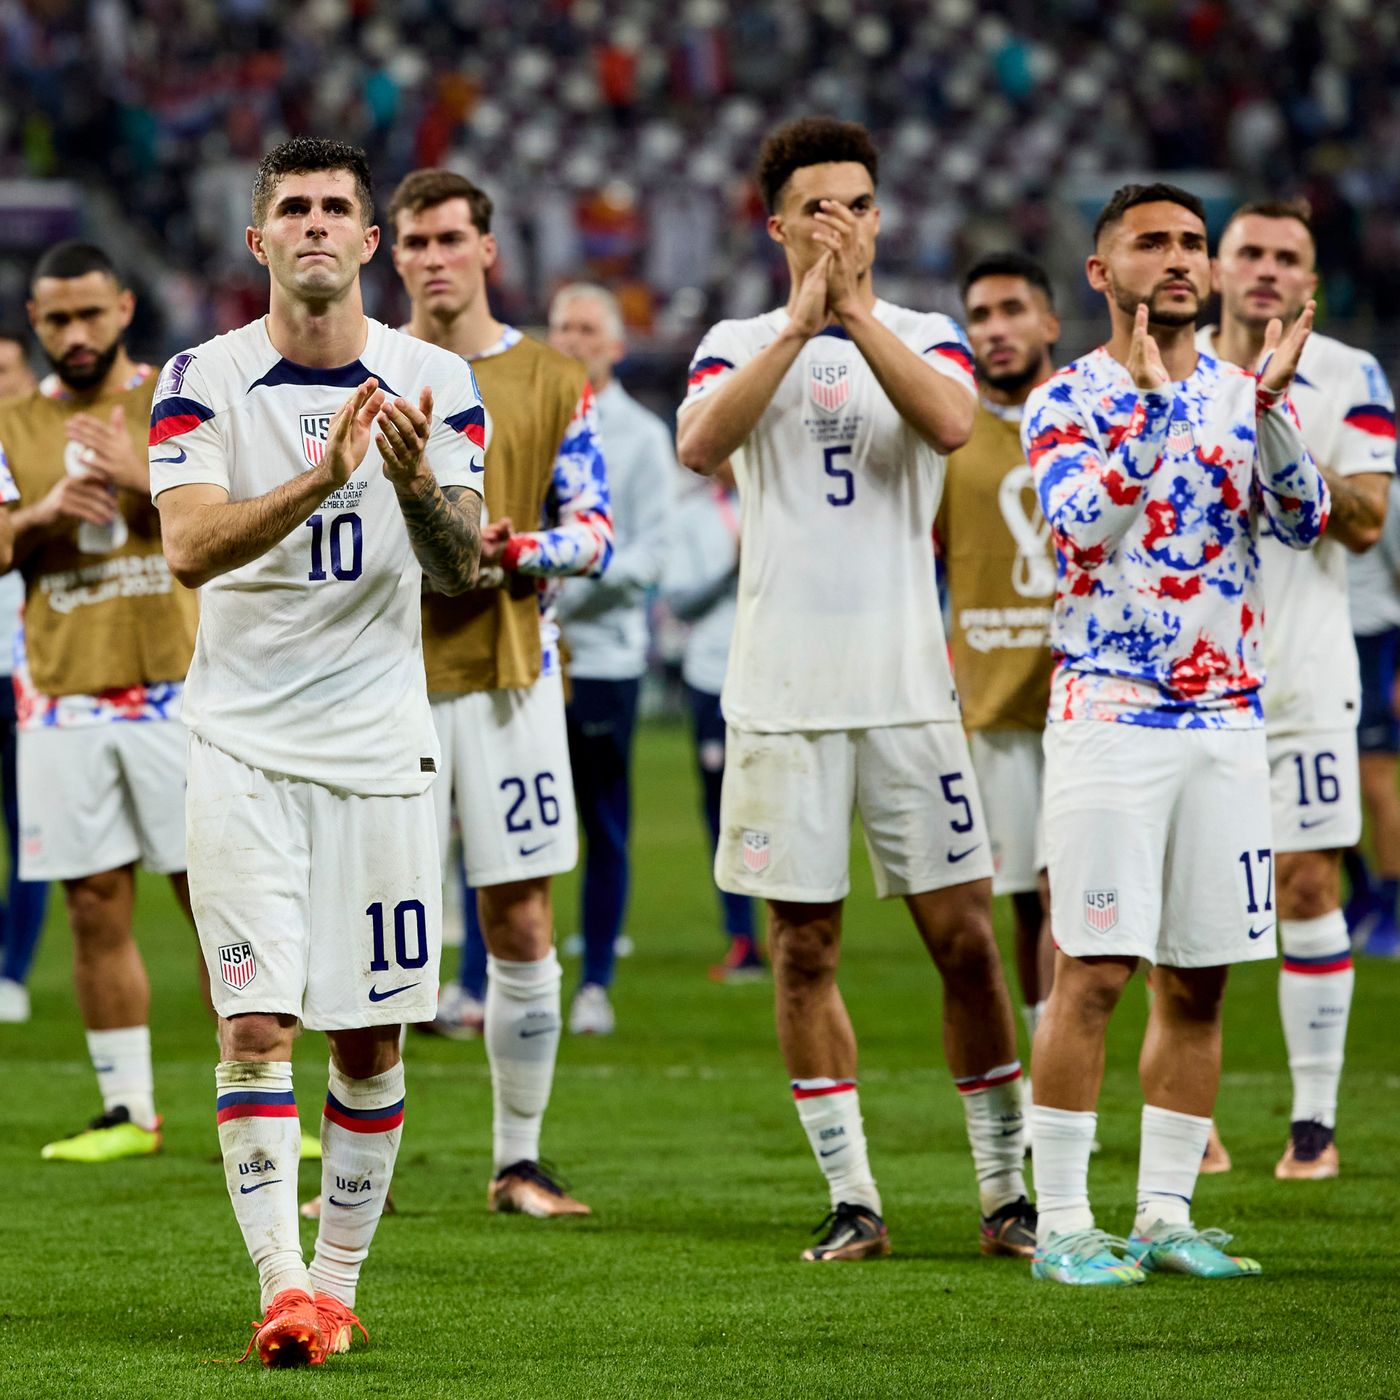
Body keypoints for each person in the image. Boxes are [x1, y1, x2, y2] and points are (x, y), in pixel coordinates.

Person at [677, 116, 1034, 1264]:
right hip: (779, 691)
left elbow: (946, 422)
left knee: (966, 941)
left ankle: (1004, 1190)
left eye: (860, 205)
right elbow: (698, 444)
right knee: (801, 949)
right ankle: (852, 1198)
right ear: (774, 221)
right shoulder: (735, 338)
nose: (842, 224)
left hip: (903, 690)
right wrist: (797, 323)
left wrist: (851, 314)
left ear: (881, 218)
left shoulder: (926, 335)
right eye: (819, 206)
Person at [152, 137, 484, 1366]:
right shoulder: (200, 378)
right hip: (242, 749)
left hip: (380, 754)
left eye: (336, 208)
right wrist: (324, 474)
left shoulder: (436, 378)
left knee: (372, 1039)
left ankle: (338, 1284)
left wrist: (403, 484)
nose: (313, 226)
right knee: (254, 1027)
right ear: (259, 242)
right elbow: (187, 549)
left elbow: (458, 574)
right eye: (290, 208)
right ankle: (285, 1284)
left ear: (368, 242)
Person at [1023, 182, 1328, 1285]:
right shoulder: (1066, 399)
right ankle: (1060, 1222)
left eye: (1190, 242)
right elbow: (1078, 524)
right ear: (1101, 273)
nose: (1179, 258)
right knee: (1093, 969)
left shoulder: (1240, 396)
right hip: (1108, 712)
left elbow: (1302, 522)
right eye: (1149, 242)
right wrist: (1157, 416)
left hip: (1227, 720)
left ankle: (1162, 1212)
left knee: (1199, 978)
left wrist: (1272, 410)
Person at [388, 168, 611, 1215]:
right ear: (392, 258)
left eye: (447, 238)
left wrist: (515, 547)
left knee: (518, 916)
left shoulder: (559, 378)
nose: (430, 257)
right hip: (382, 683)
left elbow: (597, 532)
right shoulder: (364, 374)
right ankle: (361, 1169)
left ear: (488, 249)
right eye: (412, 242)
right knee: (375, 929)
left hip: (510, 676)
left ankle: (517, 1160)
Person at [1203, 201, 1393, 1180]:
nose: (1265, 270)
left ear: (1308, 283)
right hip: (1187, 676)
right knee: (1175, 901)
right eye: (1249, 253)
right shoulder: (1169, 368)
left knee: (1308, 881)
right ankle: (1186, 1112)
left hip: (1303, 671)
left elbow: (1362, 520)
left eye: (1286, 257)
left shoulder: (1349, 375)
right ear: (1213, 270)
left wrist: (1272, 420)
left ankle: (1310, 1122)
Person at [0, 244, 197, 1160]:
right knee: (93, 905)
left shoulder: (181, 397)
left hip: (183, 691)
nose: (75, 336)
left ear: (123, 308)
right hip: (64, 696)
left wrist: (133, 475)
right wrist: (42, 515)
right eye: (55, 321)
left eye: (90, 315)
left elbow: (236, 513)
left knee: (224, 902)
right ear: (34, 324)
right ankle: (129, 1112)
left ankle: (268, 1095)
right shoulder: (10, 423)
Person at [937, 252, 1059, 1055]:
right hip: (989, 707)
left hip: (1087, 697)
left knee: (1076, 893)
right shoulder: (949, 434)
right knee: (1023, 901)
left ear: (1050, 322)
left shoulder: (1091, 414)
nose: (996, 329)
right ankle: (1053, 1068)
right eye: (979, 315)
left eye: (1012, 309)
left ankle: (1061, 1086)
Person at [550, 282, 675, 1034]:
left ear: (615, 346)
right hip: (524, 653)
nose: (572, 338)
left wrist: (559, 578)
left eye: (587, 327)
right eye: (562, 326)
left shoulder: (641, 437)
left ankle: (595, 981)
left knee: (603, 821)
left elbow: (650, 555)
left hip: (601, 657)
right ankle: (477, 982)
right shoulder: (524, 416)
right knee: (493, 816)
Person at [660, 462, 761, 981]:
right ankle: (743, 936)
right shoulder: (692, 517)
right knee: (723, 811)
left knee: (773, 807)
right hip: (712, 678)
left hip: (773, 676)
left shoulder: (778, 500)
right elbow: (678, 602)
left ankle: (791, 926)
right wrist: (733, 570)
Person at [0, 330, 48, 1023]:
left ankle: (12, 969)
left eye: (7, 370)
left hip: (32, 666)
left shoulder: (49, 452)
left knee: (29, 829)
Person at [1347, 475, 1400, 957]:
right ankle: (1360, 892)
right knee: (1328, 781)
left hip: (1376, 642)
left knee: (1376, 781)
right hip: (1324, 645)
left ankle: (1390, 905)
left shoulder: (1388, 491)